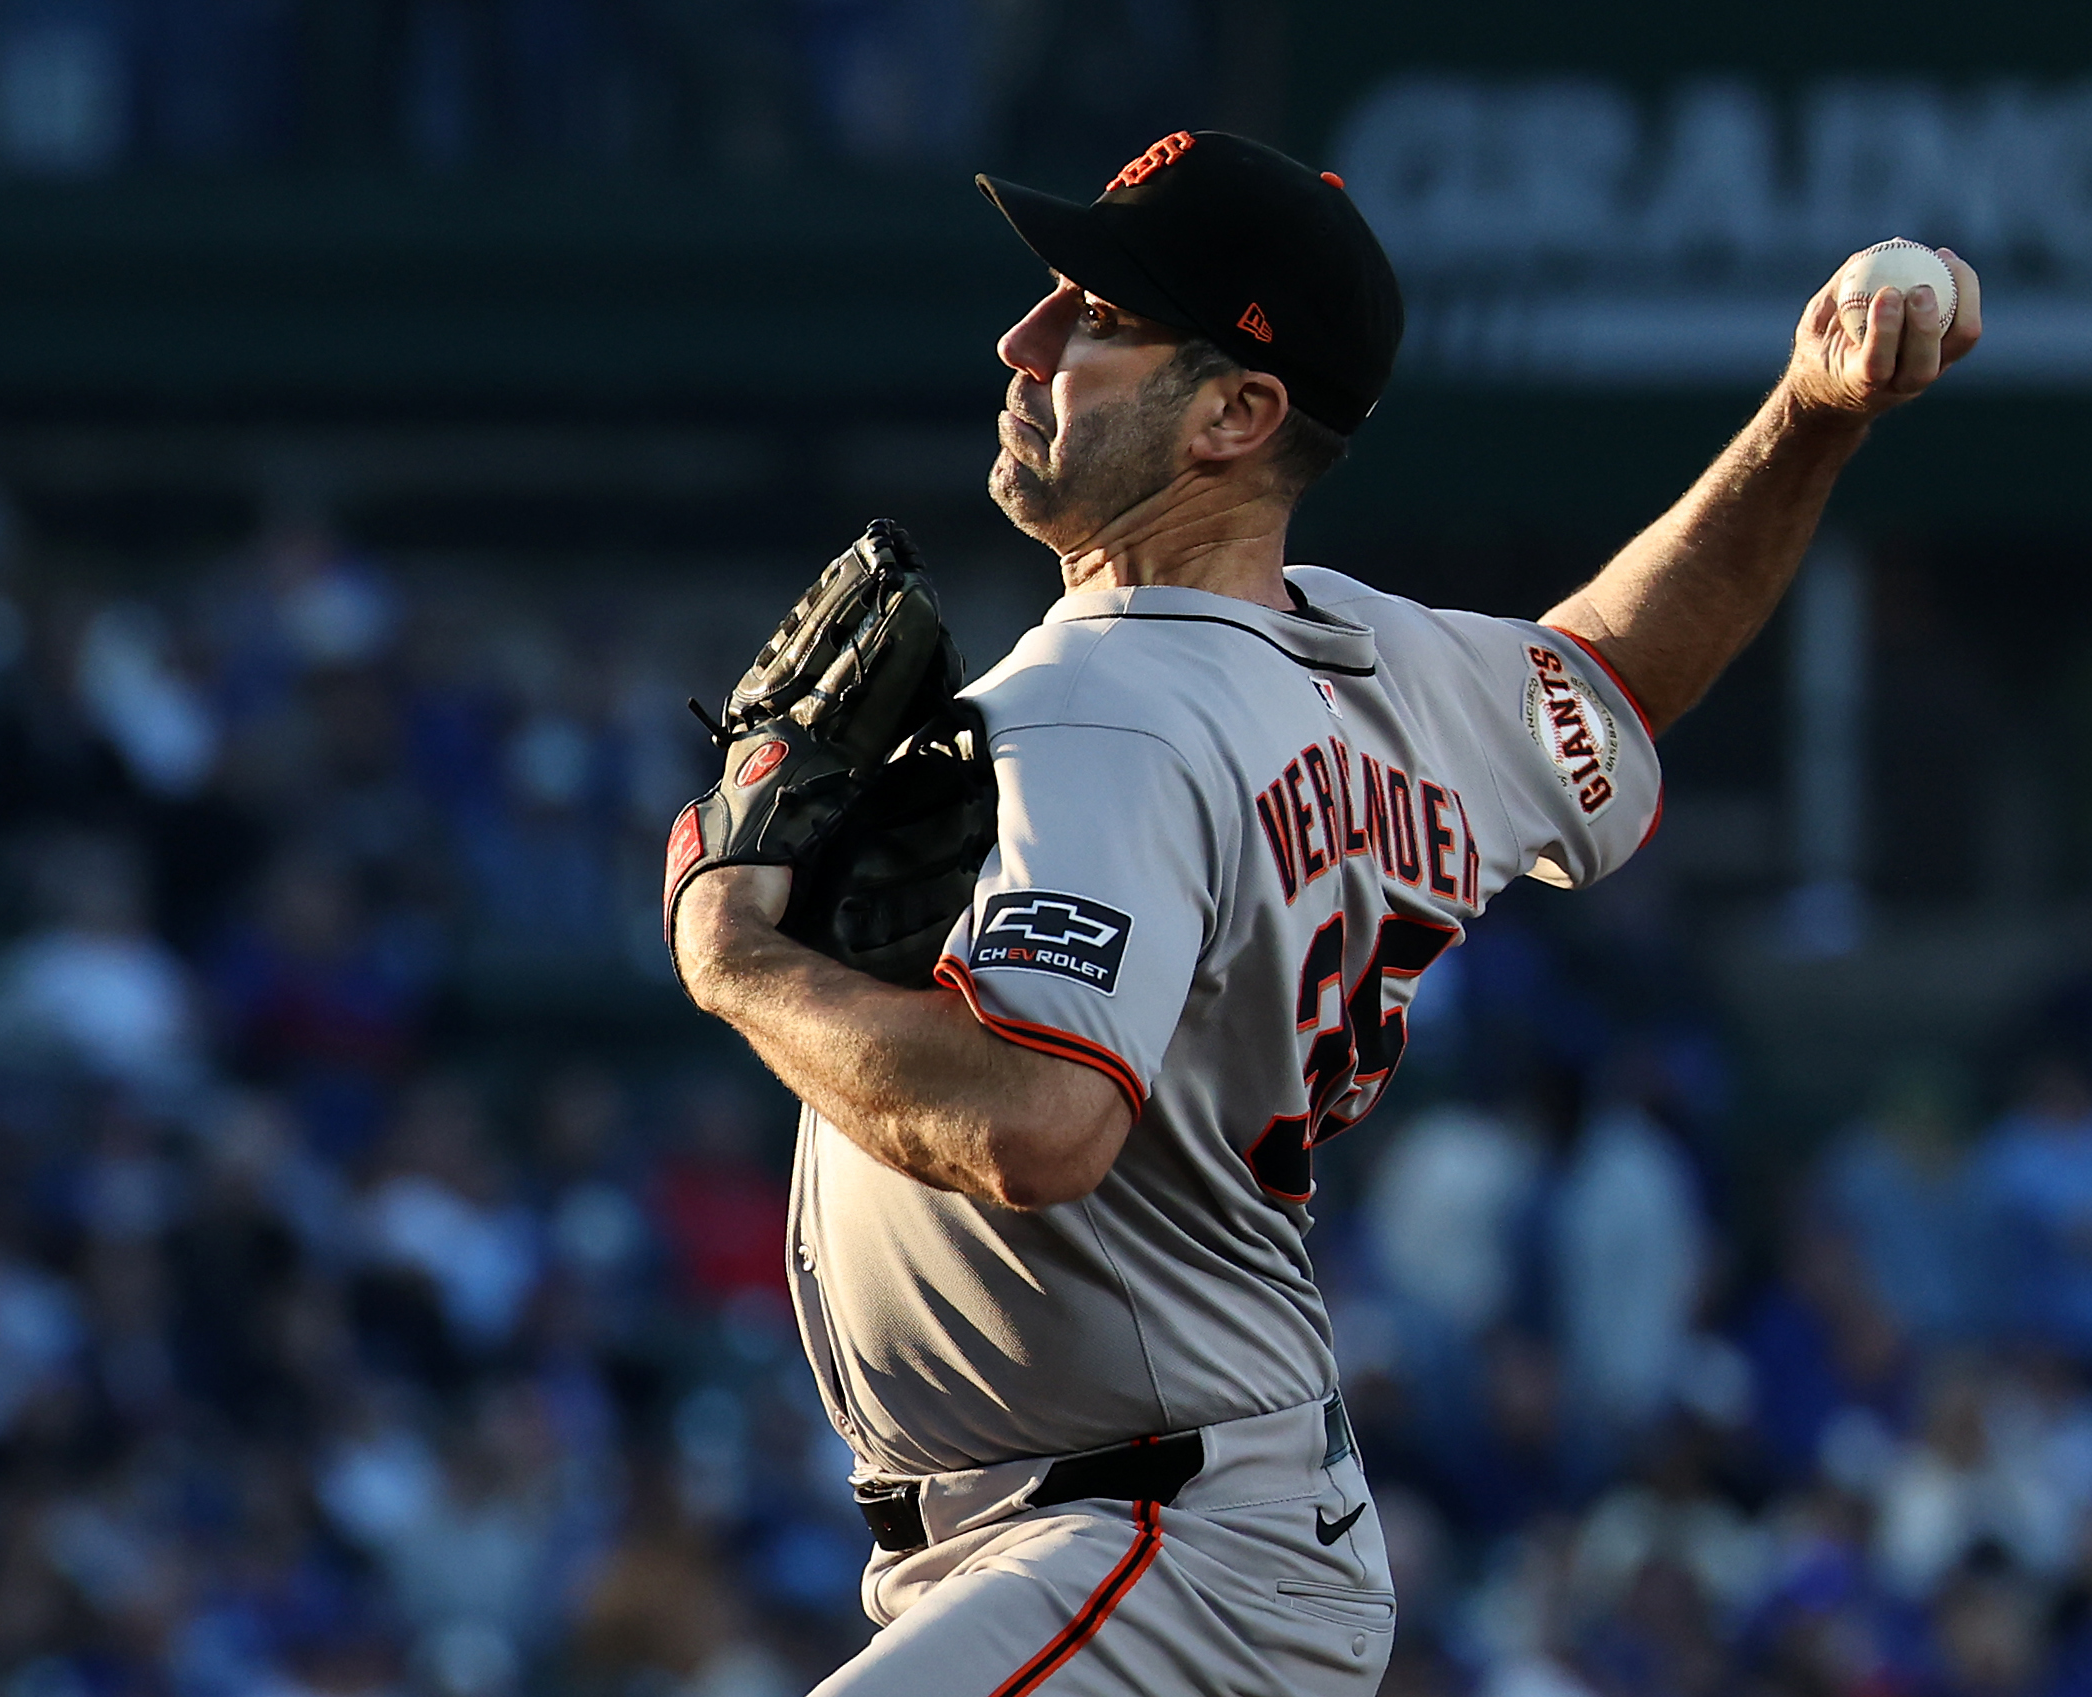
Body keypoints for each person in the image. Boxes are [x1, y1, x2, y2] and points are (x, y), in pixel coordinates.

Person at [665, 129, 1980, 1697]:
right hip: (1145, 1529)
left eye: (1093, 315)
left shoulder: (1112, 708)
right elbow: (1617, 676)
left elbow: (1037, 1120)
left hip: (1154, 1546)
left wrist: (737, 957)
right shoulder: (1372, 666)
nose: (1026, 344)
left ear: (1235, 411)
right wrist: (1809, 419)